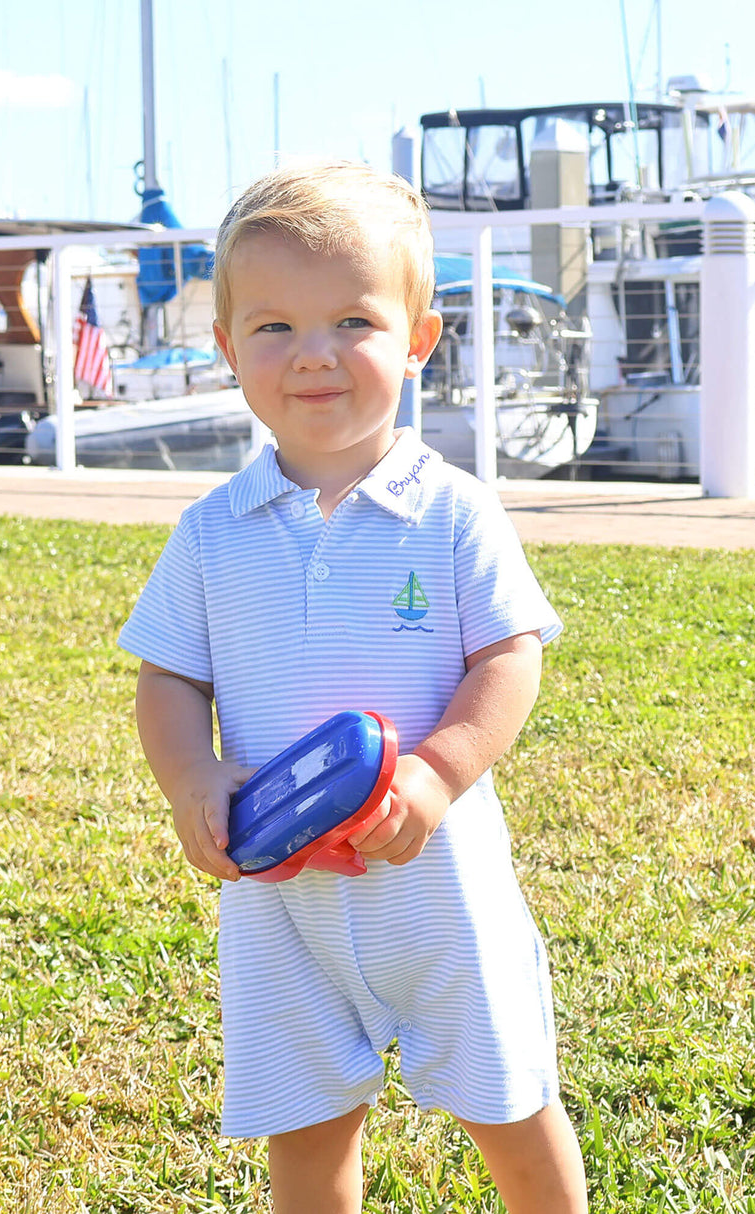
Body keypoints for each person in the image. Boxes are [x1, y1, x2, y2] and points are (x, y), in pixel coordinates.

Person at [119, 161, 587, 1214]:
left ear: (416, 342)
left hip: (438, 885)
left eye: (353, 322)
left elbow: (507, 658)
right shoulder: (210, 533)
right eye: (274, 327)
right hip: (280, 896)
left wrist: (433, 772)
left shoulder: (453, 511)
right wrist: (192, 775)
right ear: (227, 346)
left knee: (509, 1104)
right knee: (303, 1129)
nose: (314, 354)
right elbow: (167, 677)